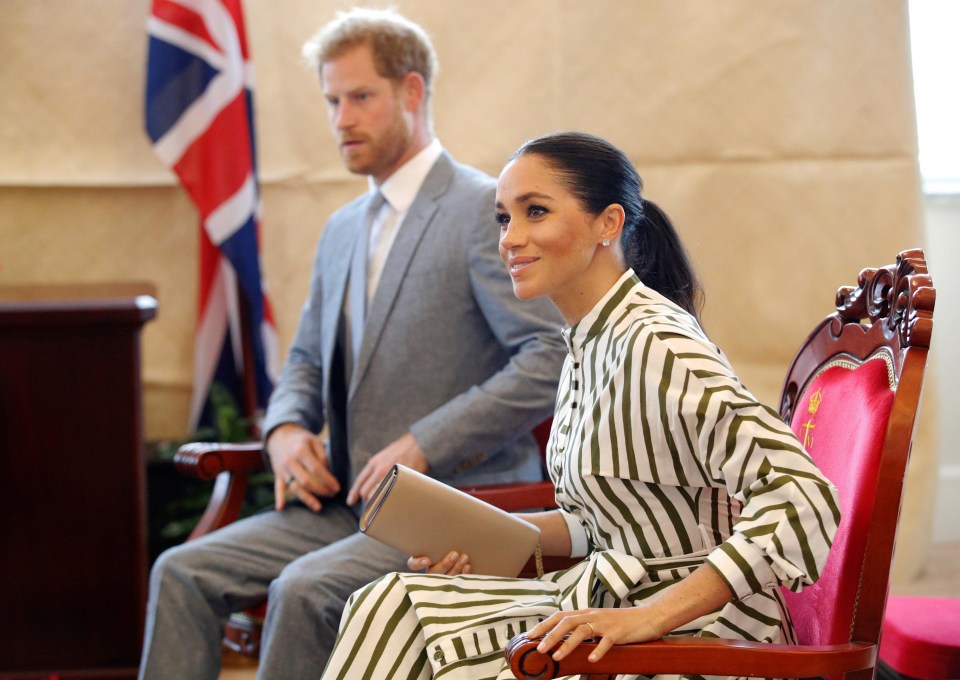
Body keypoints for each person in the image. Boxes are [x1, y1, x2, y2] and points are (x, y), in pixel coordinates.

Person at [138, 9, 566, 679]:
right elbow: (305, 360)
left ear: (412, 92)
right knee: (180, 571)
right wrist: (282, 430)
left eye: (360, 97)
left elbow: (549, 354)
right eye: (332, 100)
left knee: (303, 589)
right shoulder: (342, 228)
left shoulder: (483, 211)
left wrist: (426, 440)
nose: (341, 118)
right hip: (342, 506)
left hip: (454, 506)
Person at [319, 131, 841, 679]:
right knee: (393, 602)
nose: (511, 239)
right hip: (608, 598)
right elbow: (601, 522)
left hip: (702, 633)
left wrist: (651, 616)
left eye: (535, 212)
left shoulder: (658, 345)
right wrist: (479, 535)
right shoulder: (586, 343)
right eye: (503, 219)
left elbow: (802, 495)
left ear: (608, 224)